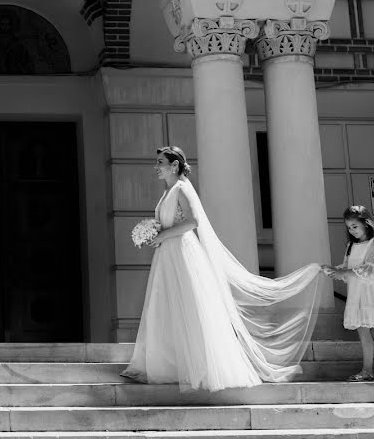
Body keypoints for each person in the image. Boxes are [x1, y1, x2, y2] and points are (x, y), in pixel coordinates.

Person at [121, 146, 325, 391]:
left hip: (181, 252)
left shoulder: (182, 188)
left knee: (188, 305)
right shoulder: (168, 191)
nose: (156, 167)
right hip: (167, 253)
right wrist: (153, 231)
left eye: (160, 162)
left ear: (174, 165)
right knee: (165, 305)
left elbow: (193, 221)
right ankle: (166, 365)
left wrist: (162, 234)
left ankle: (197, 366)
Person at [321, 205, 374, 381]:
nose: (351, 230)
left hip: (372, 292)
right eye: (349, 227)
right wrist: (333, 269)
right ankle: (368, 370)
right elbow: (347, 268)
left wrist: (343, 272)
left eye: (354, 226)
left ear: (366, 224)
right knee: (363, 332)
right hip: (357, 293)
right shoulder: (351, 245)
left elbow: (368, 269)